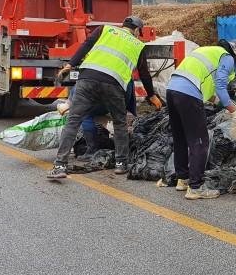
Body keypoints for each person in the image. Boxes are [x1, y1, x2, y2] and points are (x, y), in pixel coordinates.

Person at [47, 16, 162, 179]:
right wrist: (151, 95)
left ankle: (60, 166)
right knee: (120, 123)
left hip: (87, 79)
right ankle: (121, 164)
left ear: (123, 26)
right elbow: (144, 73)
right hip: (114, 84)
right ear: (136, 30)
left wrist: (70, 65)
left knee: (73, 121)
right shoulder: (138, 45)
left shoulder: (104, 29)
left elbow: (85, 46)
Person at [166, 39, 236, 199]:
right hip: (189, 94)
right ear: (235, 54)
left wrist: (218, 103)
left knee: (180, 138)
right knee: (200, 142)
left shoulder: (206, 50)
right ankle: (196, 187)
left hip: (172, 90)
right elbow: (221, 86)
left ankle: (182, 179)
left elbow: (204, 85)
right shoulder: (226, 57)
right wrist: (234, 110)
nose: (235, 64)